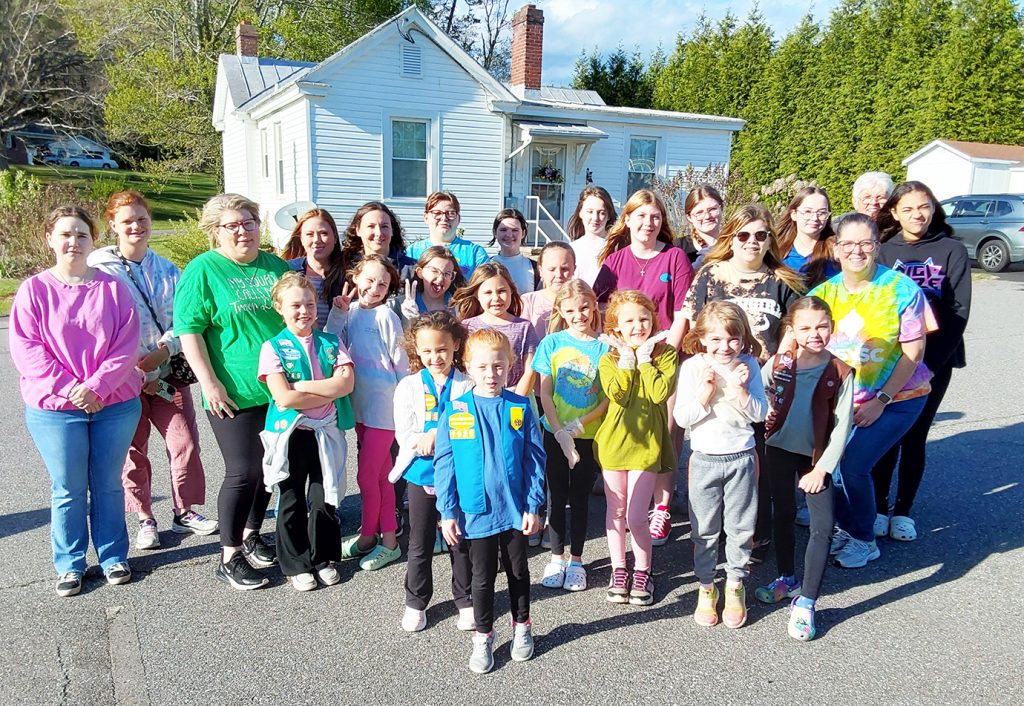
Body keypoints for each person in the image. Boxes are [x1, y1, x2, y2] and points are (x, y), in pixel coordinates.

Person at [10, 206, 142, 596]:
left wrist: (97, 387)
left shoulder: (113, 288)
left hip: (114, 404)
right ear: (50, 238)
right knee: (67, 487)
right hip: (55, 409)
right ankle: (69, 563)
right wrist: (71, 388)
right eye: (65, 234)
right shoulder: (33, 290)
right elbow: (27, 349)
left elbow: (126, 345)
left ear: (93, 240)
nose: (73, 241)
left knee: (107, 484)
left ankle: (113, 556)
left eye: (82, 235)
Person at [175, 193, 292, 590]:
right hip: (232, 391)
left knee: (269, 470)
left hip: (277, 389)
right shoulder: (204, 270)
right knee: (243, 470)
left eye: (249, 222)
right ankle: (228, 556)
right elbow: (189, 330)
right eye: (232, 225)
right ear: (216, 233)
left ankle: (251, 534)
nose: (242, 231)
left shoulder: (275, 266)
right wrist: (208, 382)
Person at [89, 191, 214, 550]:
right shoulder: (100, 269)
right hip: (122, 377)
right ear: (112, 224)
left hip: (166, 371)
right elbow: (99, 325)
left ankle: (184, 509)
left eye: (142, 219)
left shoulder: (167, 269)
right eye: (127, 220)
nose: (136, 226)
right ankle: (145, 516)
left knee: (184, 441)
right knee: (134, 449)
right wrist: (132, 367)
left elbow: (185, 317)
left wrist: (164, 351)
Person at [809, 213, 933, 568]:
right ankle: (849, 527)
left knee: (853, 465)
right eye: (848, 243)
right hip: (847, 399)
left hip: (898, 398)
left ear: (877, 246)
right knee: (829, 463)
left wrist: (882, 400)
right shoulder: (824, 294)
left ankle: (864, 539)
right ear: (835, 247)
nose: (856, 251)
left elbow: (914, 354)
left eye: (865, 243)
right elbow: (804, 339)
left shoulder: (902, 290)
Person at [682, 203, 804, 557]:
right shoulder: (710, 274)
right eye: (744, 234)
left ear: (769, 240)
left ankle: (755, 535)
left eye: (761, 235)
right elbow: (694, 322)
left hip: (763, 379)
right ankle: (713, 535)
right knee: (716, 456)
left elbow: (792, 329)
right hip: (718, 379)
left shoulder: (782, 280)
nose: (752, 241)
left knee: (757, 463)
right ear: (731, 238)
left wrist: (771, 371)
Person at [433, 328, 546, 674]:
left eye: (498, 366)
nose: (491, 374)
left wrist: (533, 504)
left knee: (518, 571)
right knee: (481, 578)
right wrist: (447, 511)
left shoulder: (520, 406)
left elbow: (535, 459)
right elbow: (444, 463)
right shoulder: (455, 410)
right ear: (467, 366)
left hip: (514, 510)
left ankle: (522, 627)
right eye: (482, 367)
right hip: (474, 512)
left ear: (510, 365)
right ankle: (483, 637)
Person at [874, 181, 971, 541]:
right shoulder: (884, 250)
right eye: (909, 208)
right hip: (888, 361)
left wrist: (927, 365)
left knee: (915, 435)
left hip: (934, 363)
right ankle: (879, 508)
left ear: (933, 209)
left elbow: (958, 312)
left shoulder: (951, 250)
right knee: (887, 435)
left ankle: (903, 511)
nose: (918, 215)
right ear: (895, 212)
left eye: (924, 207)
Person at [755, 297, 854, 641]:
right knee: (781, 513)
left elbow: (842, 427)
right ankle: (786, 578)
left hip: (816, 461)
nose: (815, 333)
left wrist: (822, 470)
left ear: (832, 327)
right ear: (792, 331)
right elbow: (758, 386)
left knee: (822, 528)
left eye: (822, 326)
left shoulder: (840, 371)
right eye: (806, 327)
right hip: (778, 449)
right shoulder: (781, 362)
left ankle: (807, 602)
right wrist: (764, 408)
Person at [673, 301, 768, 629]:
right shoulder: (693, 368)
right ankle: (706, 586)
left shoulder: (749, 365)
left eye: (732, 339)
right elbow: (681, 417)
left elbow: (760, 414)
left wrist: (741, 390)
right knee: (704, 530)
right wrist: (704, 394)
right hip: (704, 460)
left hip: (741, 456)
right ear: (701, 338)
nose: (724, 347)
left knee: (741, 528)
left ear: (742, 338)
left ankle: (736, 583)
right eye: (715, 339)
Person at [258, 273, 355, 591]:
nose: (304, 311)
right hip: (292, 433)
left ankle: (322, 557)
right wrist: (327, 390)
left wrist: (300, 385)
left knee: (324, 495)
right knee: (291, 499)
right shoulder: (272, 348)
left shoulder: (330, 342)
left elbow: (347, 384)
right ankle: (296, 563)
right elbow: (283, 398)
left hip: (324, 430)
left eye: (310, 304)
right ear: (280, 308)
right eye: (295, 305)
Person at [390, 312, 475, 632]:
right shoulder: (408, 386)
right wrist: (419, 440)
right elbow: (404, 434)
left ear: (455, 346)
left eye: (441, 349)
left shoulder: (468, 383)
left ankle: (466, 599)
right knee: (419, 541)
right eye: (427, 351)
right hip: (421, 473)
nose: (434, 357)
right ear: (416, 350)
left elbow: (470, 426)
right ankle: (415, 602)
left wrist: (438, 435)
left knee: (460, 539)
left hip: (459, 474)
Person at [325, 255, 410, 570]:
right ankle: (385, 541)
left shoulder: (388, 316)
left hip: (384, 409)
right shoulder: (350, 312)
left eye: (383, 284)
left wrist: (407, 409)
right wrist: (337, 312)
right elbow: (331, 344)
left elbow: (401, 363)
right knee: (381, 478)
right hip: (360, 407)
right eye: (370, 280)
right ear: (355, 277)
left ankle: (369, 535)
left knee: (366, 476)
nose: (375, 288)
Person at [594, 291, 678, 606]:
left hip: (647, 444)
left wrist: (644, 360)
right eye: (628, 320)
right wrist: (627, 362)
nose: (638, 325)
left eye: (644, 318)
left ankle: (644, 570)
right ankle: (619, 569)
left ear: (653, 320)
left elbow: (658, 394)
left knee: (636, 515)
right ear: (616, 327)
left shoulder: (665, 355)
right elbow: (619, 396)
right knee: (615, 512)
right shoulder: (608, 358)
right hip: (614, 442)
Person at [532, 280, 609, 593]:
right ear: (561, 312)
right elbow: (544, 391)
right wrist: (559, 429)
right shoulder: (551, 343)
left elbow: (606, 397)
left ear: (593, 306)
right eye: (571, 310)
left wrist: (579, 425)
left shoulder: (605, 347)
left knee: (580, 498)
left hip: (588, 435)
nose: (579, 315)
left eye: (584, 308)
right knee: (556, 496)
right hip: (554, 433)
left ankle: (576, 560)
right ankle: (556, 556)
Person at [593, 189, 694, 349]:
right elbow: (602, 311)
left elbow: (682, 315)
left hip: (664, 350)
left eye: (655, 217)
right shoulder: (614, 261)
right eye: (641, 216)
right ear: (627, 219)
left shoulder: (675, 258)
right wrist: (621, 351)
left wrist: (668, 355)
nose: (648, 223)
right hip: (624, 353)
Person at [451, 262, 539, 397]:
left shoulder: (524, 327)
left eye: (501, 291)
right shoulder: (466, 327)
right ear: (476, 295)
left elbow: (530, 371)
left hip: (516, 396)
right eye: (488, 292)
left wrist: (516, 401)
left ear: (511, 290)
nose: (496, 298)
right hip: (476, 397)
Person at [281, 208, 346, 329]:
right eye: (309, 234)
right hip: (300, 345)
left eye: (324, 233)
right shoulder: (289, 271)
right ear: (301, 239)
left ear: (335, 237)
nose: (317, 240)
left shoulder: (348, 273)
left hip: (340, 344)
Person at [408, 191, 489, 277]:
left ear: (459, 219)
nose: (444, 218)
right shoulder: (412, 252)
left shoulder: (475, 253)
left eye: (450, 213)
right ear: (426, 217)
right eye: (437, 213)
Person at [776, 186, 839, 287]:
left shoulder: (836, 251)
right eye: (808, 212)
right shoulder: (777, 251)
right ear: (794, 214)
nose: (815, 218)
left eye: (822, 213)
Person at [520, 242, 576, 341]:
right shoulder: (528, 301)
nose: (558, 274)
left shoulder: (584, 302)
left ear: (574, 269)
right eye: (552, 269)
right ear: (540, 270)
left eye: (564, 269)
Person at [339, 201, 414, 273]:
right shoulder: (344, 269)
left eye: (384, 226)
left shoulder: (412, 269)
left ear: (392, 230)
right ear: (358, 230)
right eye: (371, 226)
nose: (379, 233)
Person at [400, 245, 466, 323]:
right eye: (434, 271)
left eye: (447, 274)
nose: (440, 279)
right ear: (420, 272)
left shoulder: (459, 307)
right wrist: (409, 319)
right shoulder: (401, 305)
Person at [567, 185, 616, 286]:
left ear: (609, 215)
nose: (595, 218)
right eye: (590, 212)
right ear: (580, 213)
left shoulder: (616, 247)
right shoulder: (571, 249)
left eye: (601, 213)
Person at [489, 208, 537, 295]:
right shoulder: (487, 265)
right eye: (503, 230)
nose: (509, 235)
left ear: (523, 233)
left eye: (515, 230)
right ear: (495, 233)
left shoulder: (536, 268)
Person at [682, 184, 724, 268]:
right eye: (699, 212)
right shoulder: (679, 248)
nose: (707, 216)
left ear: (721, 208)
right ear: (689, 217)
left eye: (712, 209)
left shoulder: (735, 244)